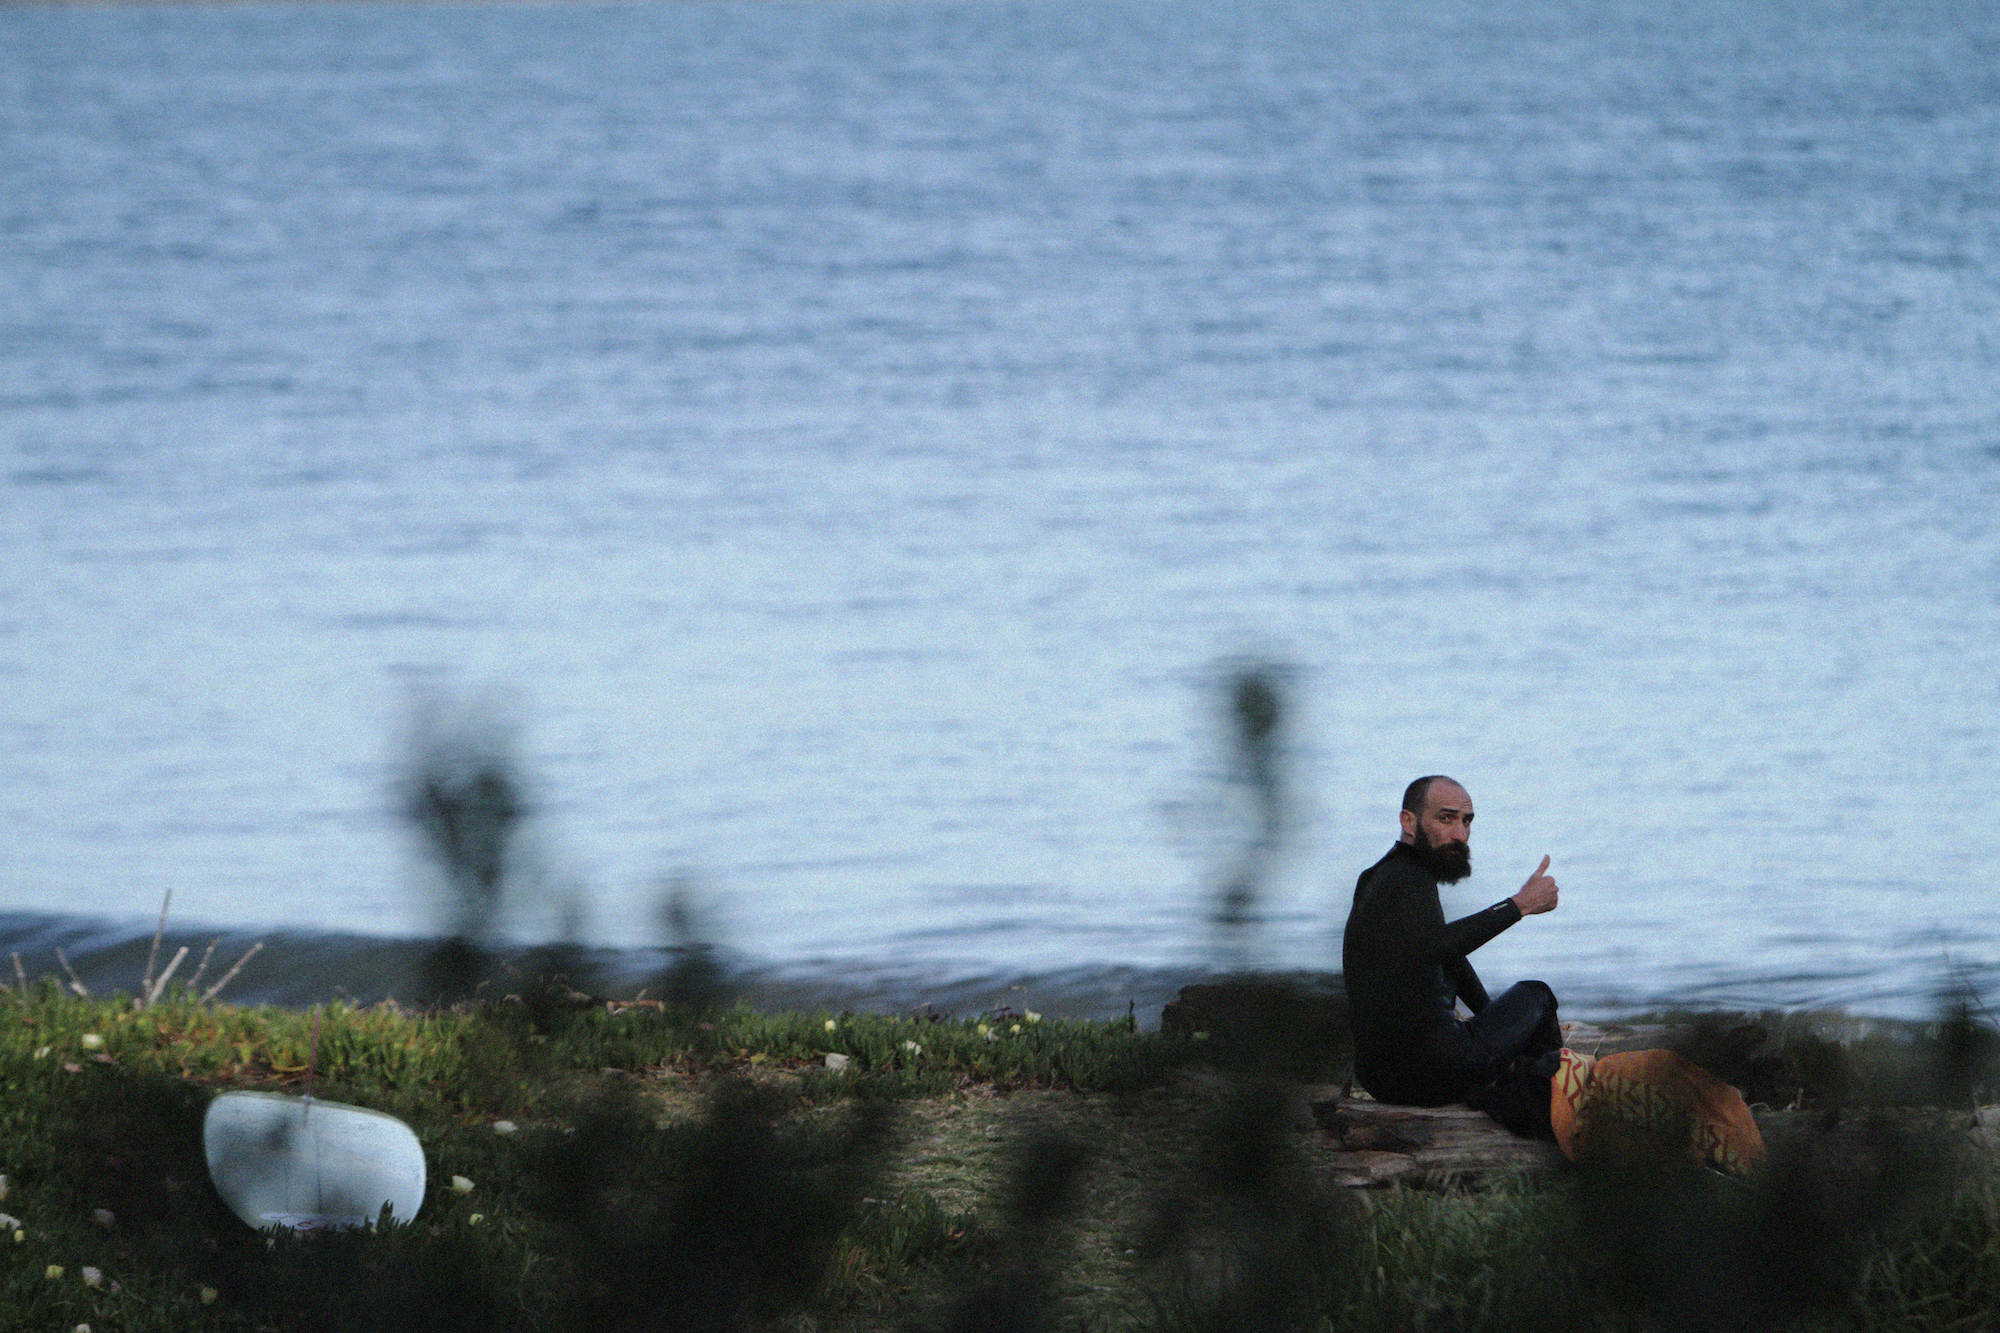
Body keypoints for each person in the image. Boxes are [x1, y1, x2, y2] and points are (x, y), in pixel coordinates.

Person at [1341, 775, 1563, 1127]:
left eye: (1466, 821)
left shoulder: (1377, 877)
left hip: (1380, 1079)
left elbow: (1444, 954)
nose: (1459, 834)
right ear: (1408, 821)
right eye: (1445, 819)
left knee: (1506, 1016)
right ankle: (1548, 1103)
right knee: (1537, 994)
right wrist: (1518, 905)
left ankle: (1521, 1078)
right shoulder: (1410, 879)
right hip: (1431, 1073)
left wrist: (1499, 1026)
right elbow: (1437, 947)